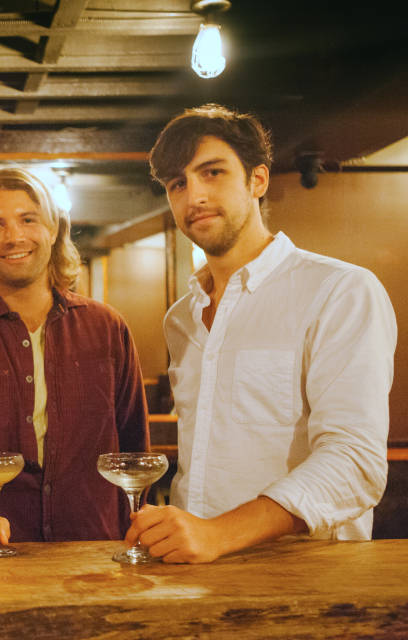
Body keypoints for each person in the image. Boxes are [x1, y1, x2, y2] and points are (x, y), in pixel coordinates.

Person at [129, 104, 396, 564]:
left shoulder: (339, 290)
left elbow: (355, 463)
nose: (194, 196)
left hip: (307, 580)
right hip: (194, 574)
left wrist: (218, 533)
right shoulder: (181, 318)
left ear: (258, 180)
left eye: (212, 173)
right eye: (177, 184)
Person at [0, 167, 150, 549]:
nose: (14, 237)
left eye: (28, 219)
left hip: (98, 552)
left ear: (54, 229)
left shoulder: (108, 327)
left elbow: (134, 450)